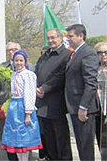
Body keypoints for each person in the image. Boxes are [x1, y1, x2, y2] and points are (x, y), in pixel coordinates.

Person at [35, 28, 72, 160]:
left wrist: (44, 88)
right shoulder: (43, 57)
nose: (50, 41)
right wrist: (35, 88)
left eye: (53, 38)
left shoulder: (67, 55)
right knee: (48, 138)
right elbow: (36, 74)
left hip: (57, 103)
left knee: (61, 138)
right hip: (42, 104)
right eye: (48, 38)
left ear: (61, 38)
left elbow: (61, 76)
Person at [65, 24, 99, 161]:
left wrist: (83, 107)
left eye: (71, 36)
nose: (68, 39)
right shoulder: (74, 53)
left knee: (86, 146)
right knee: (80, 144)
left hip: (83, 109)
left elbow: (90, 83)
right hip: (74, 106)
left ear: (81, 36)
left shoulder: (88, 53)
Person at [1, 50, 42, 161]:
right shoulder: (14, 74)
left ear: (25, 61)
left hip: (23, 106)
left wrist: (28, 113)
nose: (18, 63)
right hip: (14, 106)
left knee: (24, 138)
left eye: (21, 60)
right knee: (15, 139)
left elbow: (29, 93)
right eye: (16, 60)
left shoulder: (29, 75)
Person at [95, 41, 107, 160]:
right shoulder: (96, 69)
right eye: (100, 53)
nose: (103, 55)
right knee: (101, 139)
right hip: (99, 109)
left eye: (105, 52)